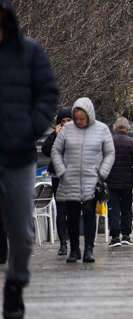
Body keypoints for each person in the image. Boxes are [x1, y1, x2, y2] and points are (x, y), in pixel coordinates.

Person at [0, 0, 59, 319]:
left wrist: (31, 127)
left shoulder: (30, 53)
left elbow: (48, 92)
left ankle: (16, 283)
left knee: (21, 232)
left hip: (18, 157)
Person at [51, 98, 115, 264]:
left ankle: (88, 249)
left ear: (89, 116)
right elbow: (56, 151)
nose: (78, 121)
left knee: (88, 214)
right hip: (69, 180)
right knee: (71, 217)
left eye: (82, 118)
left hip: (91, 180)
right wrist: (62, 172)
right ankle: (73, 249)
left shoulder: (102, 129)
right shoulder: (66, 130)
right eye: (76, 118)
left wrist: (102, 173)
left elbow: (110, 153)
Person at [106, 117, 133, 248]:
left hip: (111, 182)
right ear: (128, 129)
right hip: (127, 182)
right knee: (127, 209)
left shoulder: (108, 142)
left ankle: (115, 237)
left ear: (115, 128)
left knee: (114, 209)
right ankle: (126, 236)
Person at [40, 107, 72, 256]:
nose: (66, 123)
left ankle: (72, 239)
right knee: (61, 210)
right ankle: (63, 243)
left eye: (68, 120)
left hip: (74, 176)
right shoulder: (55, 135)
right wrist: (58, 137)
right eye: (63, 121)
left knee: (74, 210)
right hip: (57, 176)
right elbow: (46, 150)